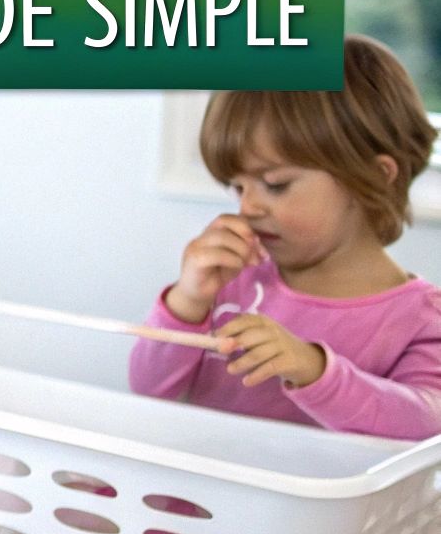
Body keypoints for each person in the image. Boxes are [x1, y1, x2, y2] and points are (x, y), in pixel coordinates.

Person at [129, 35, 441, 440]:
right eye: (238, 188)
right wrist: (186, 303)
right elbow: (149, 391)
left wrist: (316, 371)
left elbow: (425, 428)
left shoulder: (421, 319)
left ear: (375, 178)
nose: (248, 208)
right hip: (186, 497)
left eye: (275, 184)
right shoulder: (235, 276)